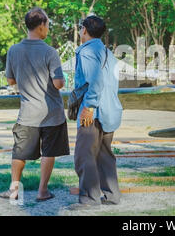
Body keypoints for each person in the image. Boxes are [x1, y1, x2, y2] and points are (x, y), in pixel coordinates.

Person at [0, 7, 69, 201]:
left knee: (19, 152)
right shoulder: (50, 52)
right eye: (47, 24)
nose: (48, 28)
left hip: (27, 113)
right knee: (49, 152)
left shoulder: (13, 50)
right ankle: (42, 191)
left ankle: (14, 191)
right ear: (41, 26)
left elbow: (11, 81)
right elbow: (58, 83)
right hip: (51, 114)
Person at [73, 15, 123, 208]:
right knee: (105, 155)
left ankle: (89, 199)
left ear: (84, 29)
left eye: (80, 28)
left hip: (93, 113)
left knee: (84, 155)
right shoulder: (107, 52)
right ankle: (112, 195)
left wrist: (89, 107)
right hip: (110, 111)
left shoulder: (86, 52)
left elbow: (96, 81)